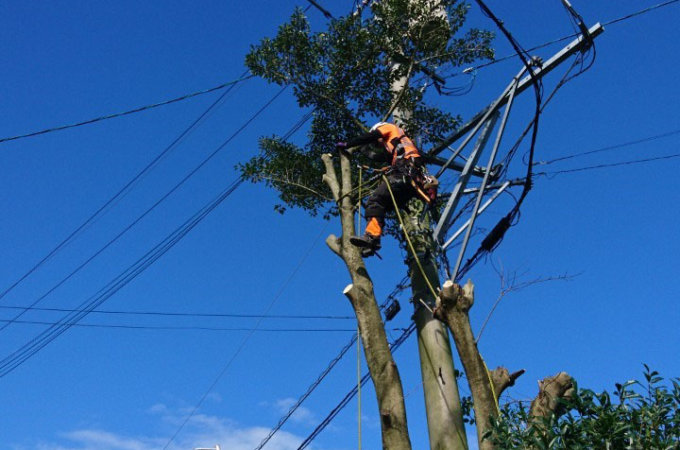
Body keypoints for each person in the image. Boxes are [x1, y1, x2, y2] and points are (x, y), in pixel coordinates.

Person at [336, 121, 435, 257]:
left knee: (375, 201)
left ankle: (372, 237)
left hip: (404, 174)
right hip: (410, 184)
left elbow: (369, 137)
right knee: (380, 206)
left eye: (377, 143)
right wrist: (361, 149)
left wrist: (348, 144)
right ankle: (372, 242)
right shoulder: (399, 143)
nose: (379, 145)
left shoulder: (388, 128)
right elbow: (378, 157)